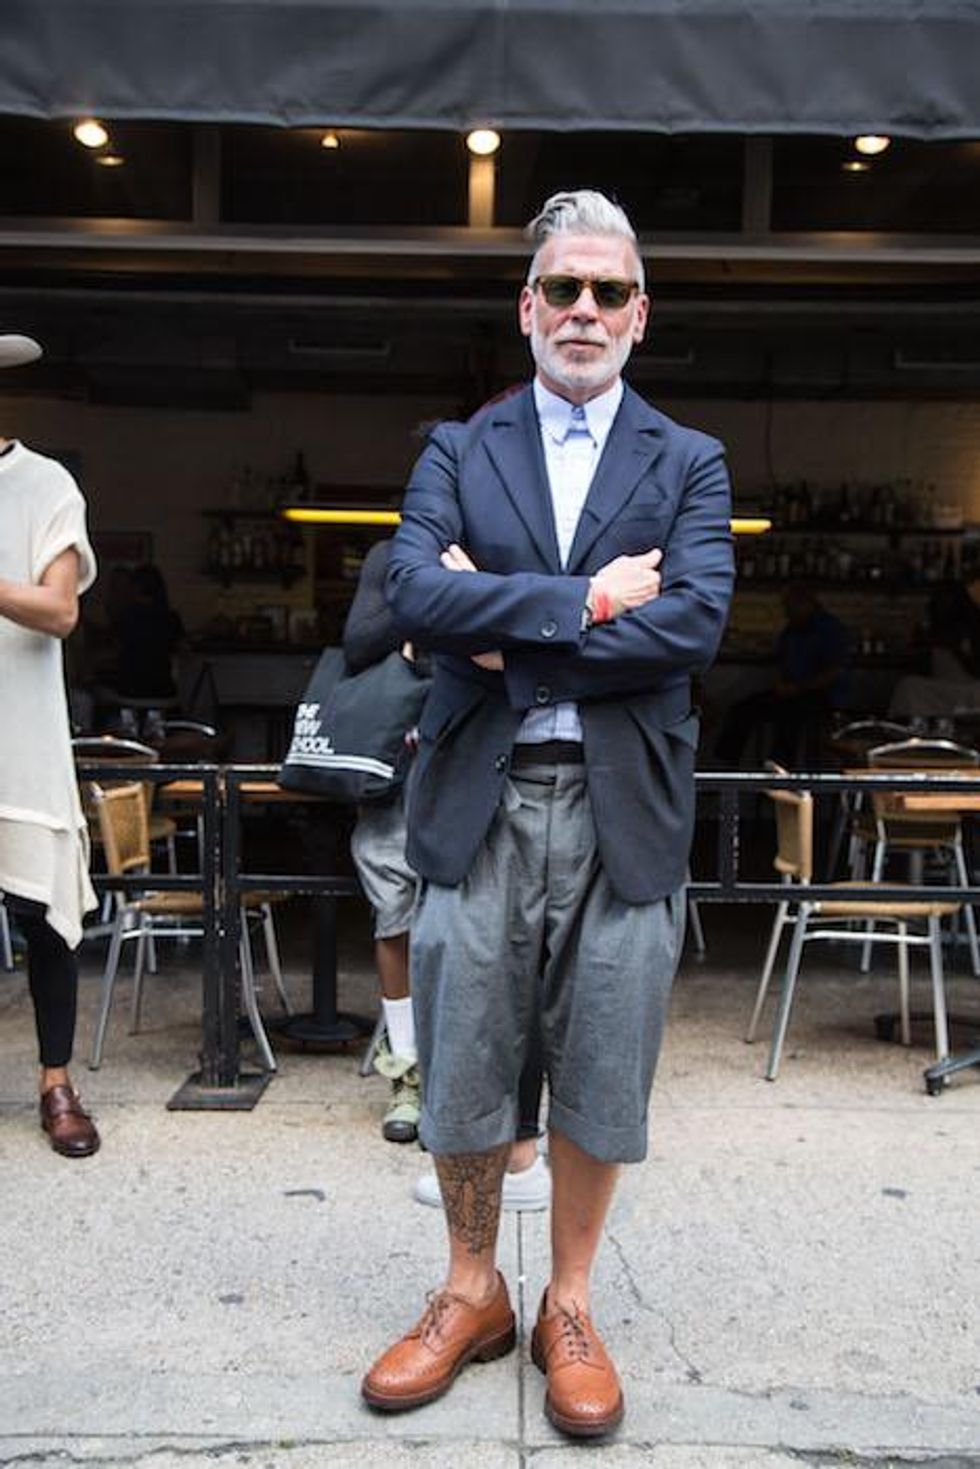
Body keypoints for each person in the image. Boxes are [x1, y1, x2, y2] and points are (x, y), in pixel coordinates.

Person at [361, 191, 734, 1436]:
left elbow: (693, 625)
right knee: (462, 1043)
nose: (583, 310)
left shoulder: (687, 460)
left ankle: (567, 1299)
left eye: (607, 292)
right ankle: (471, 1288)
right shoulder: (457, 449)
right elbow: (408, 592)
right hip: (478, 796)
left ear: (639, 314)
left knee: (602, 1053)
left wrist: (499, 623)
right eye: (562, 289)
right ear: (525, 307)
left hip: (623, 805)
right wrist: (585, 607)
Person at [343, 537, 551, 1209]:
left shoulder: (529, 538)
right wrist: (435, 601)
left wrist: (477, 600)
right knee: (406, 924)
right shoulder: (397, 555)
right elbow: (356, 642)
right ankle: (411, 1075)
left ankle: (514, 1134)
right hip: (401, 770)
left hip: (496, 760)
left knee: (509, 942)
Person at [0, 332, 100, 1158]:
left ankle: (55, 1081)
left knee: (45, 919)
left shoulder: (45, 483)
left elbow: (60, 608)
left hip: (23, 736)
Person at [715, 583, 850, 767]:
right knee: (742, 710)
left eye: (791, 607)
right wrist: (781, 683)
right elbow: (781, 661)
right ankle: (724, 768)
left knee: (790, 718)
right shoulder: (791, 630)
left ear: (807, 604)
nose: (787, 612)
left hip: (820, 696)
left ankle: (779, 777)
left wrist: (800, 687)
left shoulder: (830, 630)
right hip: (789, 692)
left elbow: (834, 671)